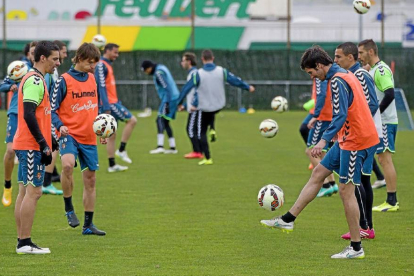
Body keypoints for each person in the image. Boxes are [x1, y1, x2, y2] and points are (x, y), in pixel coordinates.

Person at [261, 46, 379, 259]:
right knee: (318, 174)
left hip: (356, 141)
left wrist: (323, 139)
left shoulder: (337, 80)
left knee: (345, 190)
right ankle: (288, 220)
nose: (313, 77)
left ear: (318, 65)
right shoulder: (343, 74)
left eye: (311, 72)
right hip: (346, 138)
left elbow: (341, 115)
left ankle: (355, 248)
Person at [51, 43, 106, 235]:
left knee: (90, 180)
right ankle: (68, 209)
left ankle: (88, 225)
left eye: (95, 63)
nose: (93, 66)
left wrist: (102, 131)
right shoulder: (64, 80)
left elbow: (95, 108)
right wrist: (60, 126)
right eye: (90, 62)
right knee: (67, 165)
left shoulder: (92, 79)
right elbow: (51, 110)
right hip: (69, 134)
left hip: (89, 136)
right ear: (79, 58)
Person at [13, 40, 60, 254]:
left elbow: (41, 115)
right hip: (31, 146)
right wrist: (43, 144)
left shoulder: (38, 79)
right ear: (43, 58)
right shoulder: (35, 80)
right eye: (55, 59)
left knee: (24, 191)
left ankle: (22, 240)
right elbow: (29, 113)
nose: (58, 63)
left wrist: (52, 140)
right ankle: (24, 243)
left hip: (28, 144)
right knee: (34, 192)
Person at [334, 41, 381, 239]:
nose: (335, 60)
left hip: (362, 136)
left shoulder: (360, 75)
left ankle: (365, 227)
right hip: (358, 135)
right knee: (362, 179)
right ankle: (366, 227)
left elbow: (372, 103)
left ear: (350, 57)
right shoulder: (350, 75)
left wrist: (358, 124)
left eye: (338, 57)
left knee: (359, 179)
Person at [177, 49, 255, 165]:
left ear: (202, 60)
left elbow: (187, 88)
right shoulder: (221, 71)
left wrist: (179, 102)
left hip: (204, 107)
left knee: (201, 132)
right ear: (213, 58)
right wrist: (247, 87)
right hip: (218, 105)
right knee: (211, 112)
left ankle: (207, 158)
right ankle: (212, 128)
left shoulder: (198, 74)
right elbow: (234, 80)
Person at [358, 39, 399, 212]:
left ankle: (392, 201)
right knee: (382, 158)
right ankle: (390, 200)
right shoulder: (374, 69)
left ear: (371, 52)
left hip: (385, 122)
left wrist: (376, 113)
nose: (359, 56)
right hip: (382, 122)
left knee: (385, 159)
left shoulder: (381, 70)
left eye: (361, 52)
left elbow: (390, 94)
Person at [96, 43, 136, 172]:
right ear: (107, 51)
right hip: (110, 104)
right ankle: (122, 150)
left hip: (113, 102)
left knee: (111, 135)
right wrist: (106, 106)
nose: (117, 55)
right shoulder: (101, 65)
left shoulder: (108, 65)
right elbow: (101, 86)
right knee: (132, 120)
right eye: (115, 52)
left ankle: (112, 165)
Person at [42, 40, 68, 195]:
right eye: (62, 53)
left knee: (53, 146)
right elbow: (46, 95)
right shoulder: (48, 73)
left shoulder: (54, 71)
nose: (63, 56)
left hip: (50, 113)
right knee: (53, 146)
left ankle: (47, 179)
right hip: (48, 114)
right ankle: (46, 182)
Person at [1, 61, 28, 207]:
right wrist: (10, 86)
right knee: (11, 151)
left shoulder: (40, 71)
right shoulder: (19, 68)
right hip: (16, 114)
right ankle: (7, 185)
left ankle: (26, 188)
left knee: (27, 152)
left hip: (32, 114)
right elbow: (2, 85)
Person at [306, 78, 338, 197]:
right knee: (322, 153)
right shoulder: (328, 74)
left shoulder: (319, 75)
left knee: (310, 151)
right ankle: (332, 183)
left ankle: (324, 186)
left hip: (322, 117)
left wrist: (316, 114)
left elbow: (322, 93)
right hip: (329, 116)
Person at [141, 60, 180, 154]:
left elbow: (167, 87)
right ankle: (172, 147)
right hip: (174, 97)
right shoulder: (161, 67)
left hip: (169, 98)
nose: (146, 73)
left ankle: (160, 146)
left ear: (149, 68)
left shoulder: (158, 73)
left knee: (160, 119)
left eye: (146, 70)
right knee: (165, 122)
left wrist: (167, 103)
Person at [179, 52, 203, 159]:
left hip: (196, 108)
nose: (181, 63)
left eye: (183, 61)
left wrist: (194, 104)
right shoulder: (192, 74)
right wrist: (185, 105)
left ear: (189, 62)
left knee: (191, 129)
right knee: (193, 129)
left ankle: (197, 152)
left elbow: (198, 91)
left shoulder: (194, 73)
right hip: (193, 107)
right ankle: (198, 151)